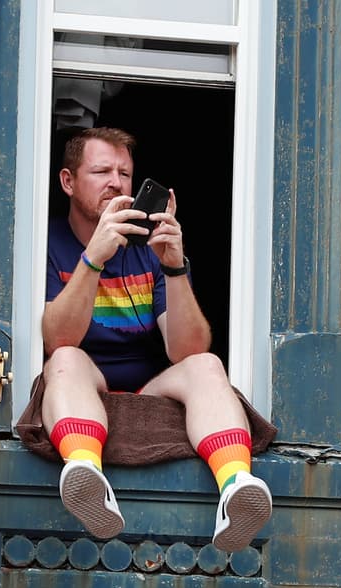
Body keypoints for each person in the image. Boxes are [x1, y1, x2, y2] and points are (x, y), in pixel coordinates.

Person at [43, 127, 272, 551]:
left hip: (148, 391)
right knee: (67, 358)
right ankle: (87, 476)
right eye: (101, 172)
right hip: (79, 383)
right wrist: (94, 258)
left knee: (207, 365)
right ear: (68, 181)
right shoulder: (46, 242)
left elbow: (187, 351)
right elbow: (59, 339)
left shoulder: (148, 249)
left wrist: (174, 266)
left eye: (124, 174)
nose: (116, 183)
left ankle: (236, 486)